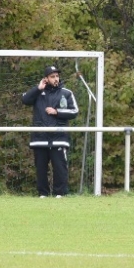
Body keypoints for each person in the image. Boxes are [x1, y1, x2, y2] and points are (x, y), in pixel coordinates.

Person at [21, 64, 79, 198]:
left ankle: (60, 193)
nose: (56, 79)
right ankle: (43, 194)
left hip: (59, 137)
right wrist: (38, 88)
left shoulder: (66, 93)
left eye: (57, 76)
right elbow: (24, 99)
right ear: (46, 78)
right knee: (41, 168)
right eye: (52, 76)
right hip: (39, 138)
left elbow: (74, 111)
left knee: (60, 167)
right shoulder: (38, 92)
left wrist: (57, 111)